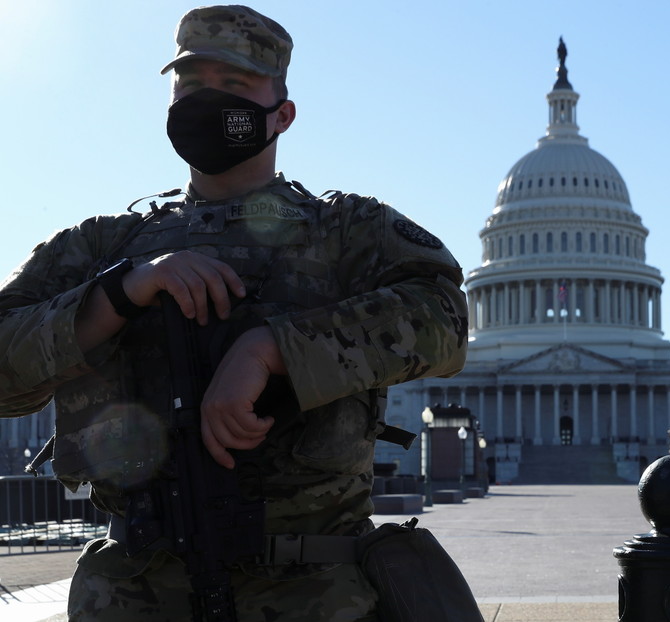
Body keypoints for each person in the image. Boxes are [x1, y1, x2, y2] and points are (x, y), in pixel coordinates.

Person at [0, 5, 468, 621]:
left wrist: (273, 349)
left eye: (236, 86)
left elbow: (445, 321)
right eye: (191, 86)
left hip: (310, 592)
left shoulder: (352, 231)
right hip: (132, 593)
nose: (208, 101)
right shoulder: (101, 246)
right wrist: (123, 292)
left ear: (283, 114)